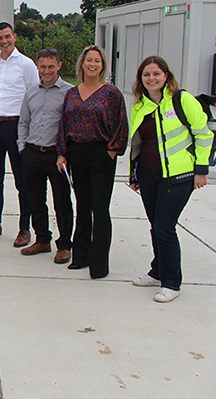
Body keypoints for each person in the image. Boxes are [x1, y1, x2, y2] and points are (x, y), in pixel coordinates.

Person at [128, 56, 211, 303]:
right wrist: (134, 174)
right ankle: (158, 270)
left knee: (165, 227)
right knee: (156, 225)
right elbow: (137, 144)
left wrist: (201, 170)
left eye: (156, 74)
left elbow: (203, 134)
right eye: (146, 75)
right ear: (140, 79)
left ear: (166, 76)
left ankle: (172, 282)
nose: (151, 79)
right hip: (148, 173)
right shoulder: (139, 106)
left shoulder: (182, 100)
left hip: (179, 176)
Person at [57, 45, 128, 279]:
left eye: (97, 61)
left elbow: (121, 126)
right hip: (77, 153)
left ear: (102, 65)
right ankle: (81, 256)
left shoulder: (111, 93)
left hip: (101, 154)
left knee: (100, 209)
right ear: (82, 63)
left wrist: (110, 152)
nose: (92, 64)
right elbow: (64, 126)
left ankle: (99, 264)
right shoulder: (72, 93)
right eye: (89, 60)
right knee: (82, 207)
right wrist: (63, 153)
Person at [0, 22, 39, 247]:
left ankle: (25, 228)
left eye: (7, 36)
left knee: (22, 180)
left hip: (16, 126)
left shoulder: (26, 64)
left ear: (14, 36)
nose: (4, 41)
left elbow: (33, 97)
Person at [17, 48, 74, 264]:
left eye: (51, 66)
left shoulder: (70, 93)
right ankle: (42, 239)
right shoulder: (31, 90)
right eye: (43, 66)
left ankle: (65, 245)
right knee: (35, 200)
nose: (46, 70)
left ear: (59, 66)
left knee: (62, 202)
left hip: (57, 157)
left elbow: (71, 127)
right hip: (32, 153)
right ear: (37, 67)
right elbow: (23, 121)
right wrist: (22, 147)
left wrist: (66, 155)